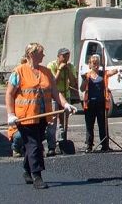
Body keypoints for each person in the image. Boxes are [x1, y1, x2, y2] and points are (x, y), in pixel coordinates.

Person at [5, 43, 77, 189]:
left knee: (34, 144)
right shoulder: (18, 72)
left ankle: (27, 170)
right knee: (34, 145)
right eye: (41, 53)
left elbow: (55, 92)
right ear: (32, 54)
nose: (44, 55)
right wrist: (10, 114)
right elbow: (9, 93)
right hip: (25, 118)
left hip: (43, 117)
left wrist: (65, 104)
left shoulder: (46, 72)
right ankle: (37, 175)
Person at [80, 54, 122, 153]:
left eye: (97, 63)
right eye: (94, 63)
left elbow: (111, 72)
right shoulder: (87, 75)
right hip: (90, 103)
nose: (96, 65)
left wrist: (118, 70)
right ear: (89, 65)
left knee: (103, 124)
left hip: (101, 103)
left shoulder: (103, 74)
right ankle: (89, 145)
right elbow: (82, 89)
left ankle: (105, 145)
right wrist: (85, 81)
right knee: (89, 125)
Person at [45, 48, 77, 156]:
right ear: (59, 56)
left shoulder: (70, 66)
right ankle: (51, 146)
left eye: (68, 56)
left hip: (65, 95)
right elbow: (53, 82)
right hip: (54, 96)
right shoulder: (51, 65)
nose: (66, 58)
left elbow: (73, 82)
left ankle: (62, 142)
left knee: (64, 121)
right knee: (53, 121)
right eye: (64, 56)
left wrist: (68, 72)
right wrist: (59, 69)